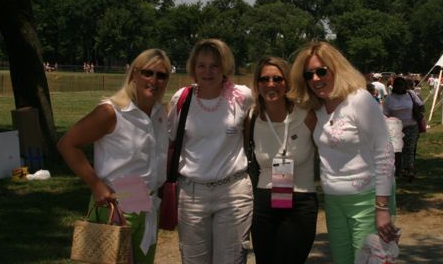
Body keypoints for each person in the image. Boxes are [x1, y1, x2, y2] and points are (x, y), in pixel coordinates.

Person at [58, 48, 171, 263]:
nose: (154, 80)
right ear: (134, 74)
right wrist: (95, 184)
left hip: (148, 205)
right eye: (147, 73)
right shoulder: (112, 112)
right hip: (117, 203)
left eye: (161, 75)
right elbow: (67, 144)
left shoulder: (160, 113)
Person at [288, 41, 397, 264]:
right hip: (334, 200)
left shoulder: (359, 100)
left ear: (336, 68)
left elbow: (384, 153)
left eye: (321, 71)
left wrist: (382, 208)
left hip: (367, 200)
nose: (316, 79)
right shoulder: (316, 108)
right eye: (309, 75)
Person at [168, 39, 253, 264]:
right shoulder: (182, 98)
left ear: (224, 67)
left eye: (214, 65)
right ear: (193, 68)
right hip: (192, 194)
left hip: (234, 192)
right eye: (201, 65)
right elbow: (170, 140)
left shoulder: (242, 97)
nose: (207, 71)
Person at [248, 56, 318, 263]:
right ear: (257, 84)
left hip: (301, 201)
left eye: (277, 79)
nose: (271, 84)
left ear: (287, 83)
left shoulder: (306, 115)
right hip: (263, 203)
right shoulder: (251, 118)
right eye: (264, 79)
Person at [383, 77, 424, 180]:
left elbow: (421, 106)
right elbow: (384, 113)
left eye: (402, 84)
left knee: (409, 149)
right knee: (397, 151)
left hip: (411, 126)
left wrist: (418, 111)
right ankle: (397, 170)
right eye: (398, 84)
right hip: (395, 128)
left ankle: (409, 170)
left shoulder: (410, 94)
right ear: (394, 86)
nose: (400, 87)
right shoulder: (389, 98)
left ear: (405, 86)